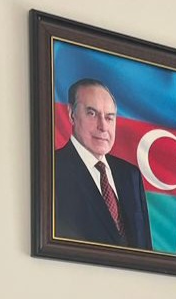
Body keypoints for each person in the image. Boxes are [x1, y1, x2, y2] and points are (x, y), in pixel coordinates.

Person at [53, 78, 152, 249]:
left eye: (109, 117)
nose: (103, 126)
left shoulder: (130, 175)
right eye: (92, 114)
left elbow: (145, 249)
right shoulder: (54, 169)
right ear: (71, 114)